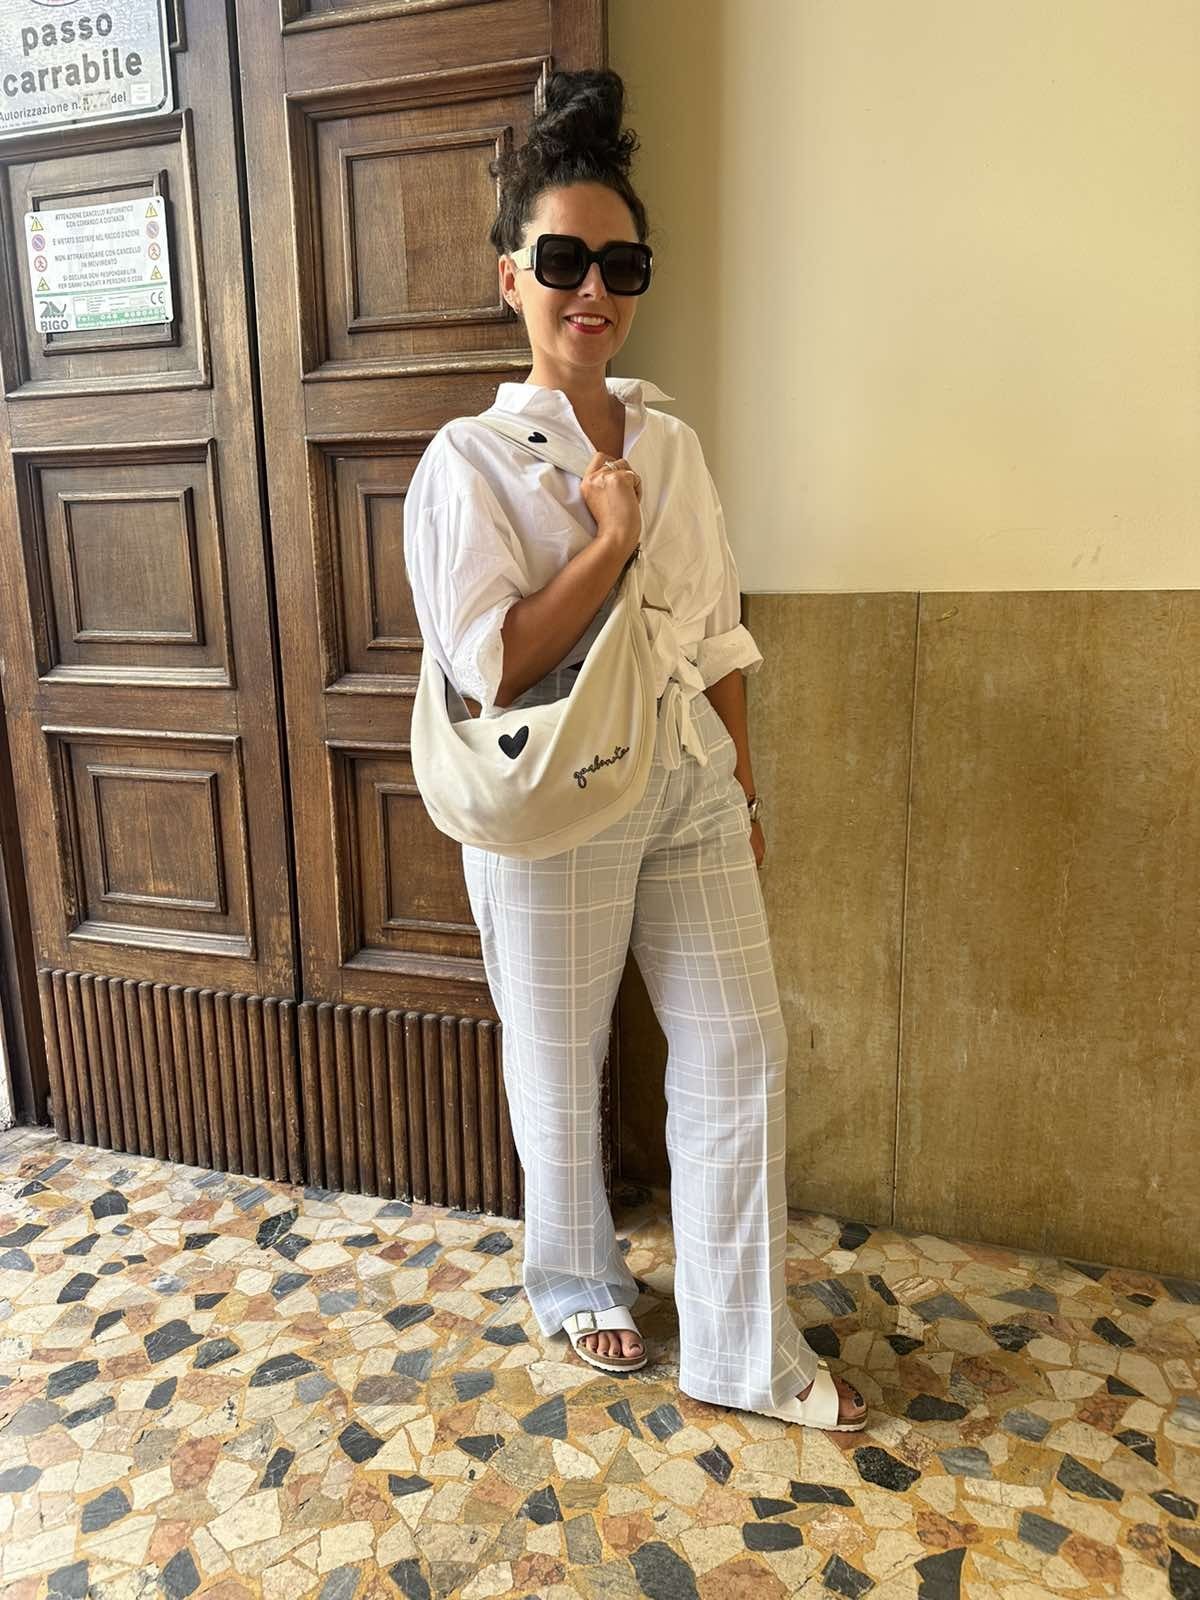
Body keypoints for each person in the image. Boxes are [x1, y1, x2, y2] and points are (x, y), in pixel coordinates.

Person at [402, 67, 866, 1431]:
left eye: (619, 262)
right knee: (558, 1057)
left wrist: (744, 780)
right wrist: (605, 542)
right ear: (512, 279)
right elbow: (489, 659)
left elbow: (719, 634)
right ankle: (572, 1278)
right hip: (556, 803)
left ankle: (740, 1348)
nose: (591, 288)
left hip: (689, 788)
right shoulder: (470, 462)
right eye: (562, 261)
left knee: (739, 1048)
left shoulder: (672, 442)